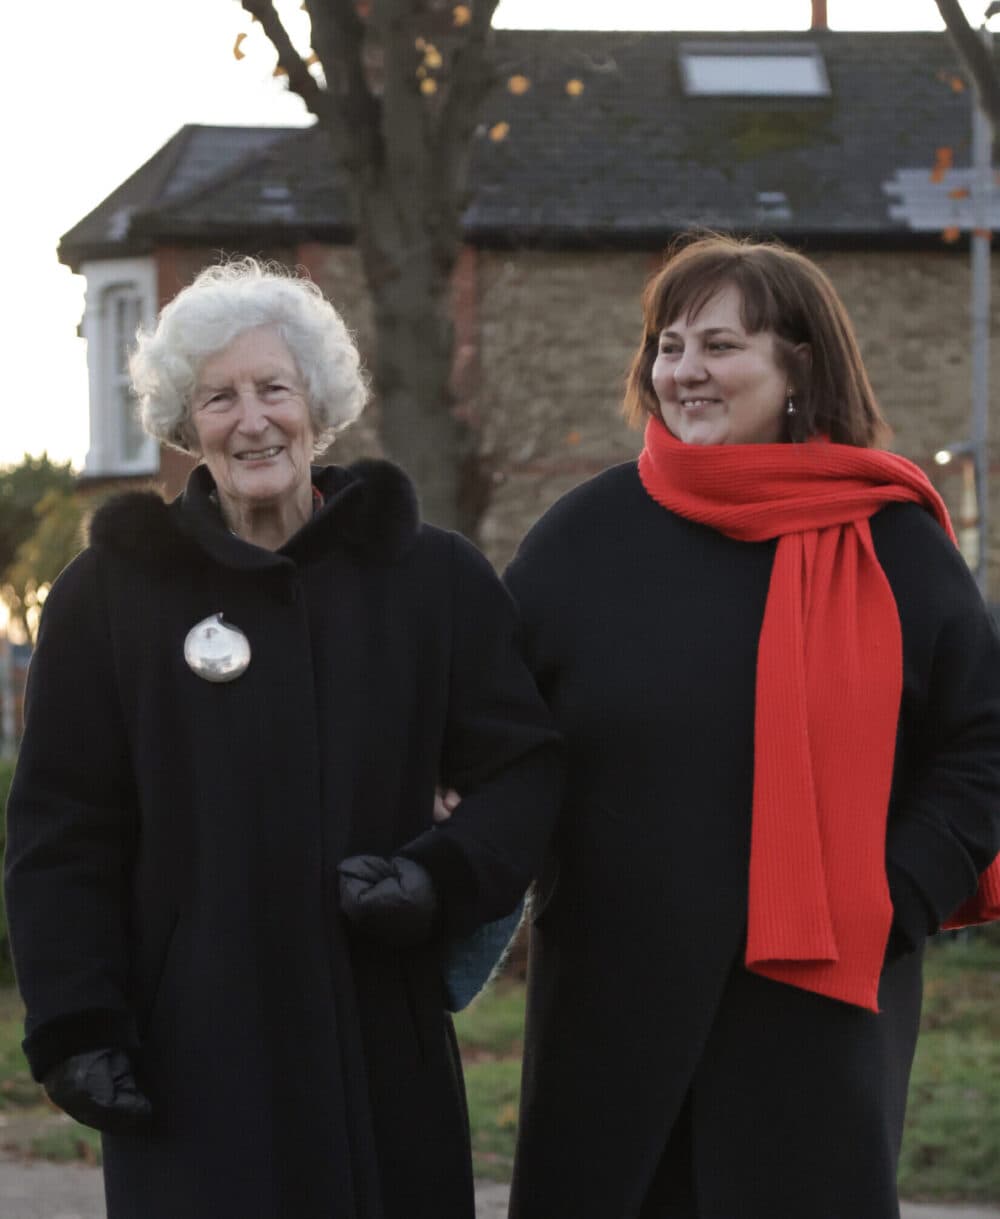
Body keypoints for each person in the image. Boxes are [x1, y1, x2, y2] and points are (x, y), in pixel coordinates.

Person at [3, 258, 562, 1219]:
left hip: (378, 1034)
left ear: (319, 405)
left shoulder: (431, 578)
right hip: (189, 1050)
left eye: (274, 388)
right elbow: (63, 828)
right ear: (187, 424)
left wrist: (439, 875)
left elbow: (524, 770)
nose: (252, 419)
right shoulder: (111, 595)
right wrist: (78, 1023)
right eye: (219, 397)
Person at [502, 233, 1000, 1219]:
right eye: (668, 344)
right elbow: (491, 731)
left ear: (796, 364)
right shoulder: (584, 537)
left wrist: (893, 891)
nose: (683, 371)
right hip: (615, 993)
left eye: (719, 346)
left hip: (812, 998)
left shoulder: (891, 537)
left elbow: (981, 744)